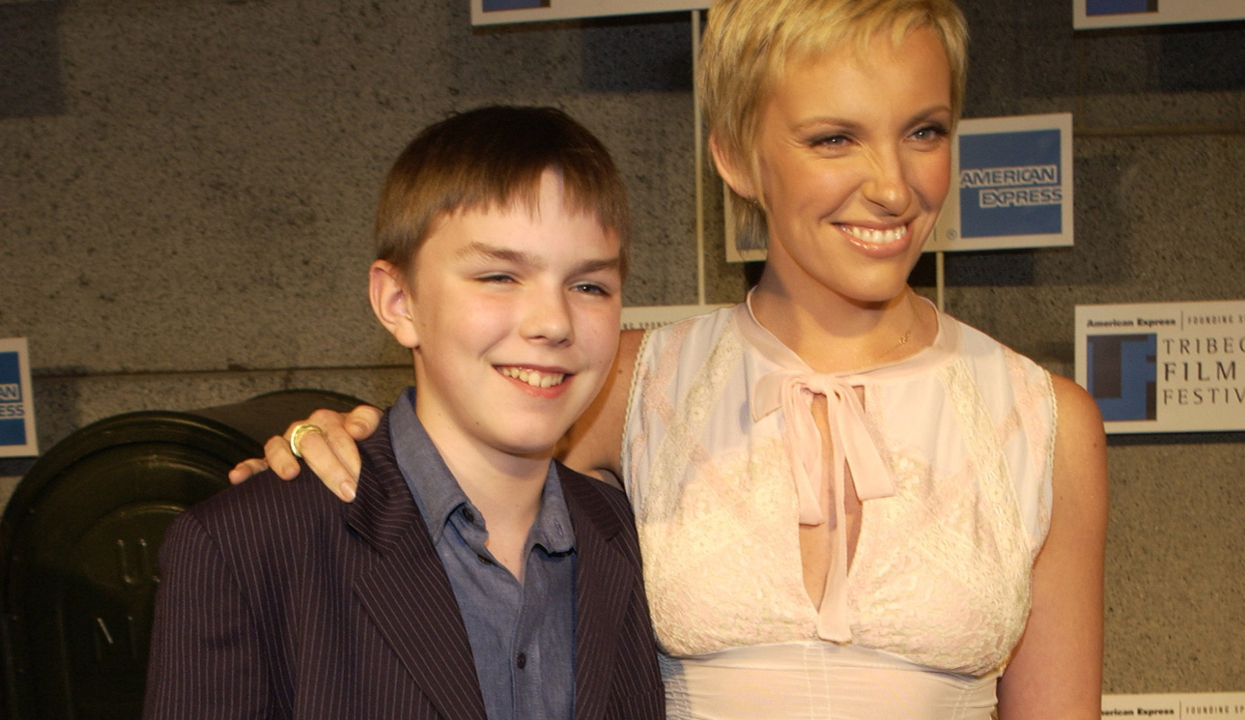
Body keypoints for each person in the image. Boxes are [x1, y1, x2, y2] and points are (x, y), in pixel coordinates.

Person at [236, 0, 1109, 717]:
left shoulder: (1044, 420)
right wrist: (344, 441)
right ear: (735, 155)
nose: (893, 184)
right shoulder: (624, 381)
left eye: (924, 131)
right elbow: (440, 506)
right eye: (833, 139)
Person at [145, 106, 665, 720]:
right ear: (399, 302)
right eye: (499, 276)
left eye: (589, 286)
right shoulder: (247, 546)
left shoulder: (623, 533)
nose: (552, 322)